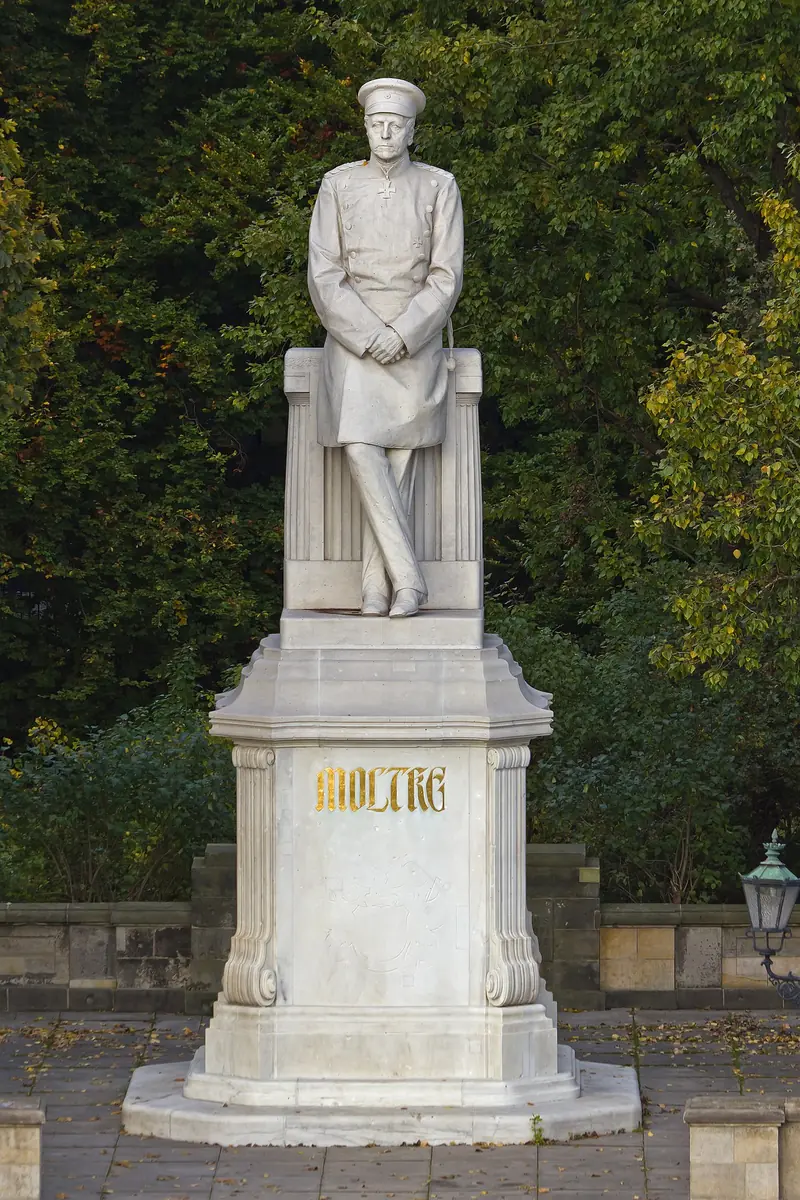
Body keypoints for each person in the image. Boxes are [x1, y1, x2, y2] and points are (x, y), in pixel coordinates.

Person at [307, 77, 464, 617]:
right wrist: (370, 334)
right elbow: (324, 273)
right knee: (360, 445)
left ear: (412, 130)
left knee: (400, 457)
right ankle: (409, 578)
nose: (386, 133)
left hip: (414, 339)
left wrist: (404, 333)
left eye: (396, 124)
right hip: (354, 342)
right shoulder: (337, 184)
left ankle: (379, 589)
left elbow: (446, 275)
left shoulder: (440, 186)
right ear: (365, 128)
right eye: (377, 124)